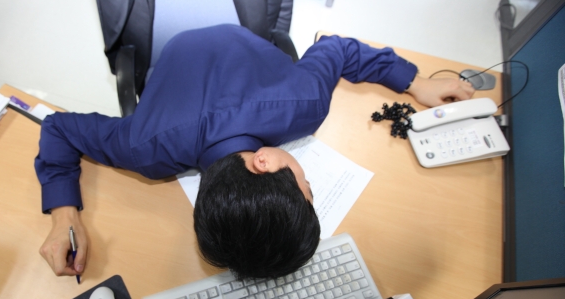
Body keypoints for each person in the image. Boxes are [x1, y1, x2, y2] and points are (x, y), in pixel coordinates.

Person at [35, 24, 474, 281]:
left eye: (306, 186)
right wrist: (63, 216)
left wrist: (417, 83)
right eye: (307, 187)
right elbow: (56, 128)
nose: (307, 181)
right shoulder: (143, 149)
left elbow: (335, 47)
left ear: (264, 163)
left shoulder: (303, 104)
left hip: (219, 46)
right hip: (187, 47)